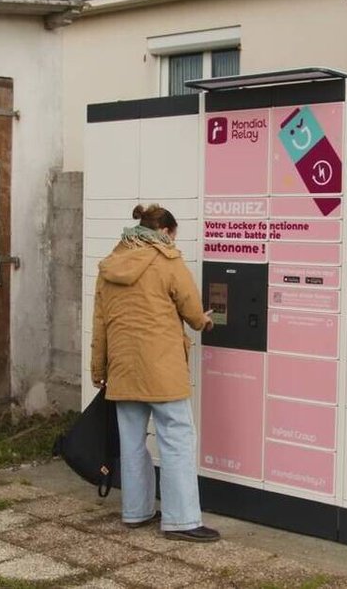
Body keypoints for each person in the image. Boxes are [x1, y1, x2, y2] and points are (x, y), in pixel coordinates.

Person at [90, 204, 219, 543]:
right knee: (176, 439)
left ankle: (136, 511)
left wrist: (98, 370)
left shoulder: (110, 264)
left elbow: (100, 324)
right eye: (174, 236)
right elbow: (192, 310)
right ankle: (182, 520)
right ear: (164, 232)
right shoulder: (168, 260)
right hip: (162, 369)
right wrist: (204, 320)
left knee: (132, 442)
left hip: (123, 368)